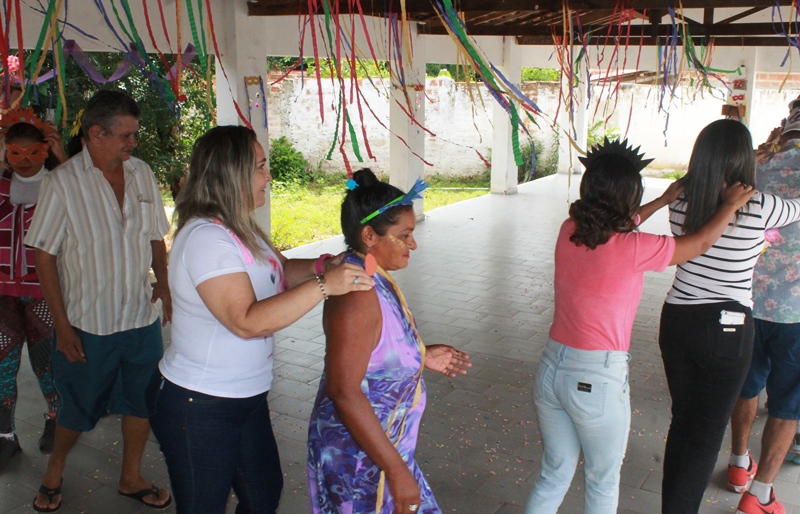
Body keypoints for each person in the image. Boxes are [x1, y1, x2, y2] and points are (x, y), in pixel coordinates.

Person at [146, 125, 371, 514]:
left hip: (246, 397)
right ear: (232, 174)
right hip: (199, 402)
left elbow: (280, 269)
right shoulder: (206, 239)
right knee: (204, 505)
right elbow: (246, 321)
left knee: (263, 496)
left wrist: (324, 264)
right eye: (261, 167)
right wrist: (324, 285)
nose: (269, 176)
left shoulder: (240, 226)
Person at [525, 138, 755, 513]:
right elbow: (700, 243)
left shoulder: (570, 230)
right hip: (596, 380)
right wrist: (729, 205)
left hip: (552, 371)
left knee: (554, 473)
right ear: (631, 196)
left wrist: (664, 201)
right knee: (602, 480)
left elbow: (615, 223)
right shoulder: (635, 248)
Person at [26, 90, 172, 512]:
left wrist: (161, 283)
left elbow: (154, 236)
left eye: (134, 134)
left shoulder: (142, 173)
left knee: (141, 400)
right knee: (79, 405)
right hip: (89, 322)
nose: (133, 143)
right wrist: (63, 326)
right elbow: (45, 256)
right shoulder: (63, 182)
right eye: (125, 135)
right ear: (95, 134)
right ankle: (55, 468)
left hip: (140, 316)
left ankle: (130, 476)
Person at [307, 168, 471, 514]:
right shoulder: (357, 291)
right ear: (369, 235)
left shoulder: (370, 275)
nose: (413, 243)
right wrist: (396, 470)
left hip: (380, 451)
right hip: (360, 460)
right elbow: (343, 390)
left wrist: (421, 353)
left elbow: (375, 346)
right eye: (405, 234)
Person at [659, 119, 800, 513]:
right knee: (704, 435)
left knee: (684, 421)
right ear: (743, 158)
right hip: (727, 329)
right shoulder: (759, 204)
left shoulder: (681, 197)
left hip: (677, 322)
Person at [727, 102, 800, 513]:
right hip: (796, 314)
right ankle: (761, 494)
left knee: (746, 385)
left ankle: (738, 465)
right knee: (788, 404)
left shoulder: (755, 166)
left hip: (746, 301)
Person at [0, 111, 67, 472]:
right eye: (15, 153)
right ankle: (5, 437)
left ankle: (56, 419)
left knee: (46, 363)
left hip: (44, 292)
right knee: (1, 365)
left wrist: (61, 157)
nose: (24, 161)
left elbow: (87, 201)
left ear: (46, 150)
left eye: (33, 153)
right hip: (2, 294)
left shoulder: (60, 183)